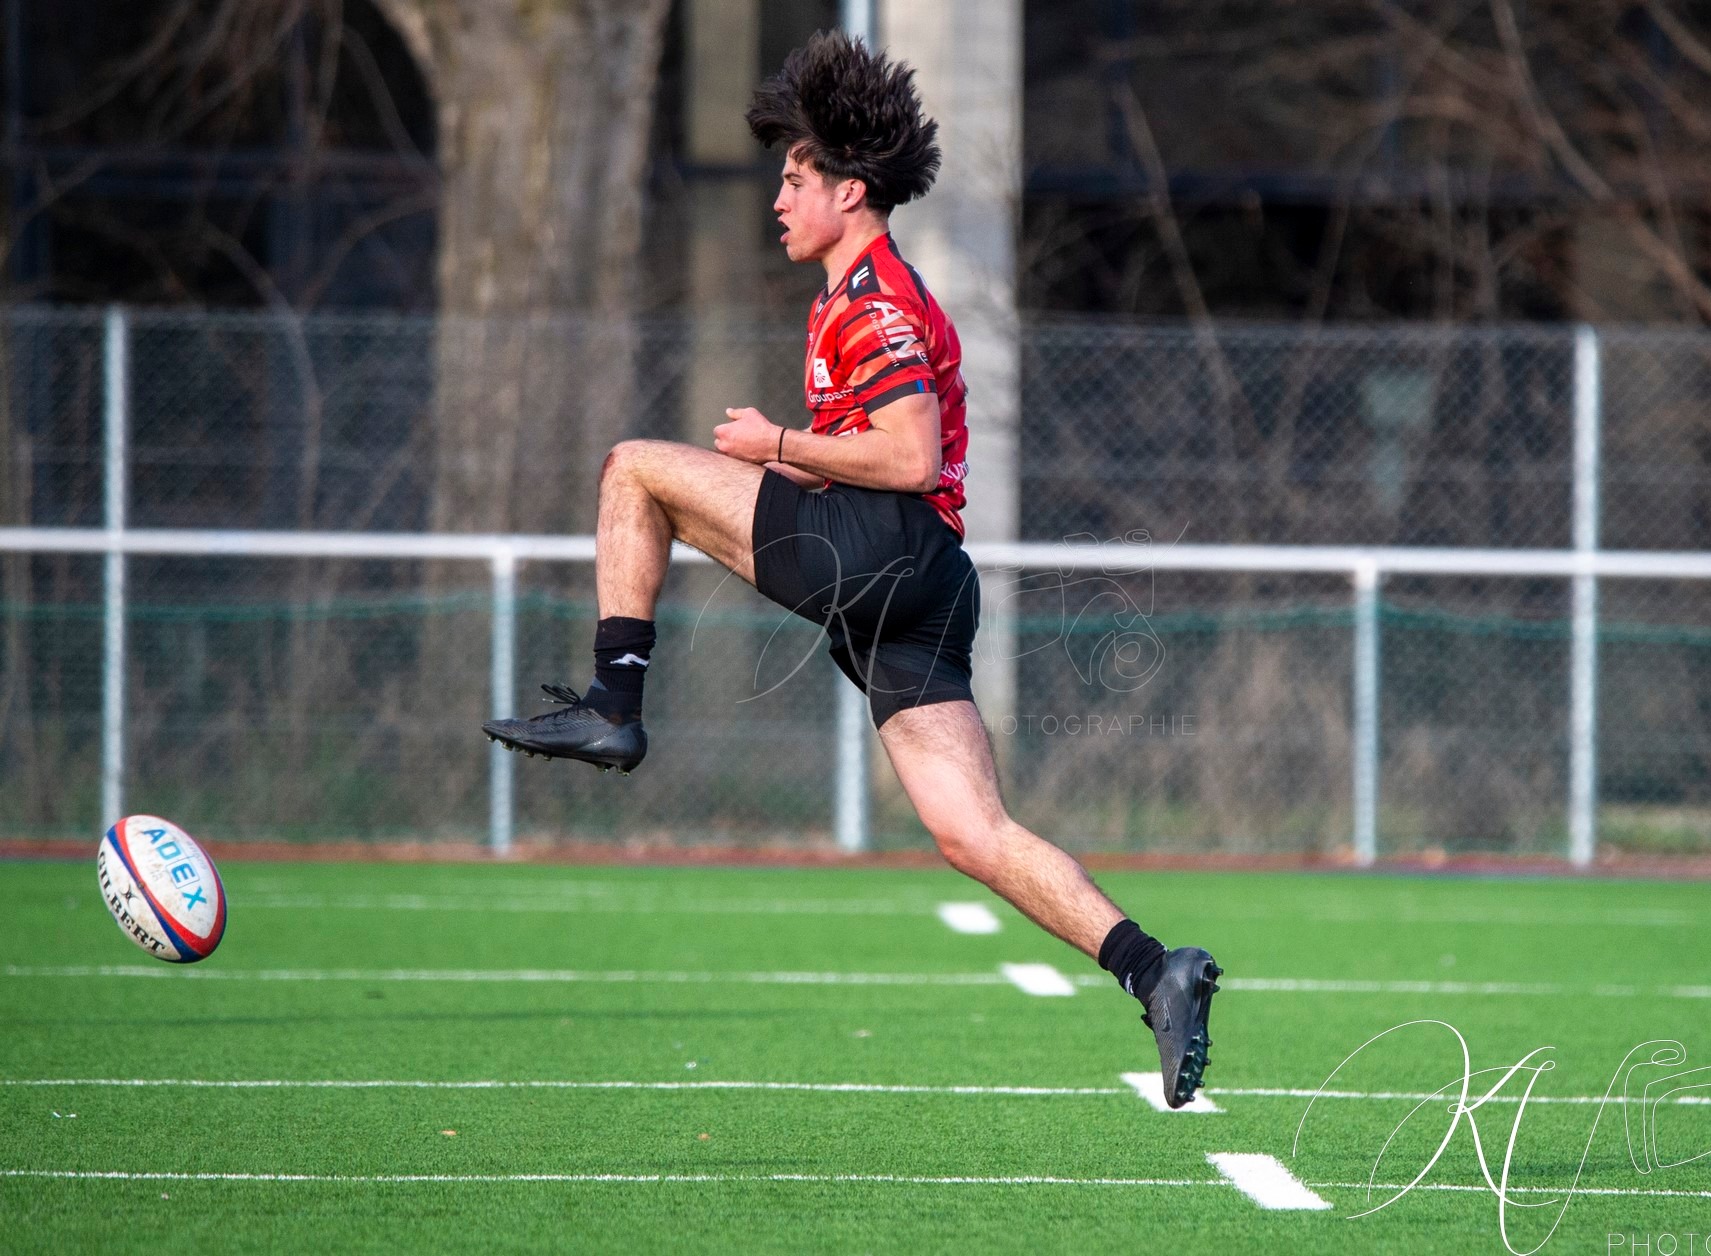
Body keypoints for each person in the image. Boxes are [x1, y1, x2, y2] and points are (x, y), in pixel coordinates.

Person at [483, 32, 1220, 1107]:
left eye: (797, 178)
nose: (779, 198)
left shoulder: (871, 299)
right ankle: (1158, 970)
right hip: (926, 583)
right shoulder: (861, 293)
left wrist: (778, 442)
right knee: (972, 831)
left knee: (634, 469)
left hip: (884, 544)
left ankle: (615, 698)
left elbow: (911, 454)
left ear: (852, 189)